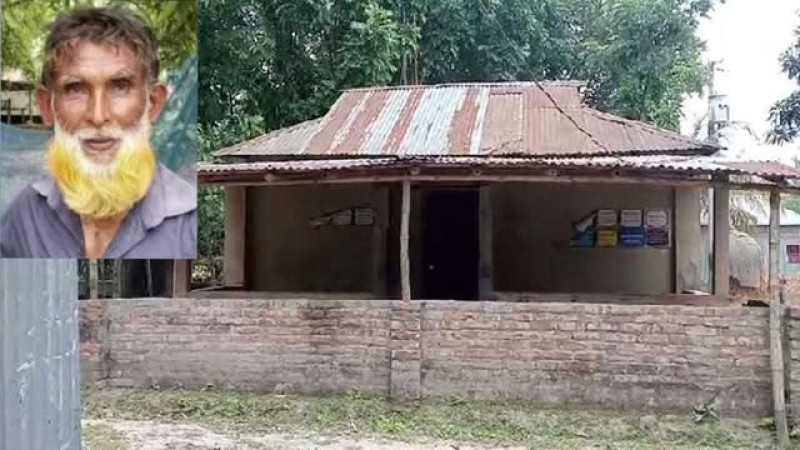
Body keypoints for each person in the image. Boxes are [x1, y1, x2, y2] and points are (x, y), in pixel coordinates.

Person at [0, 6, 196, 258]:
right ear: (48, 106)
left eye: (120, 87)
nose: (98, 115)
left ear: (153, 104)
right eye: (76, 88)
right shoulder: (23, 219)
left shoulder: (190, 225)